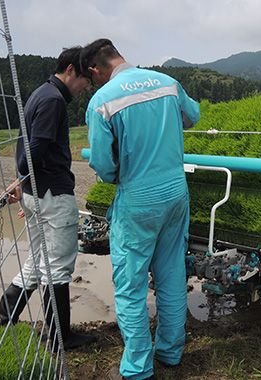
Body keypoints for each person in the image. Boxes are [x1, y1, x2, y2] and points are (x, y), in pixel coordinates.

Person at [81, 38, 200, 380]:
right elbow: (193, 116)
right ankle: (170, 351)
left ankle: (137, 367)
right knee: (171, 273)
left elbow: (103, 165)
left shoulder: (102, 100)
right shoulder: (167, 83)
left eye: (93, 77)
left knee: (131, 286)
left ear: (95, 69)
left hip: (137, 199)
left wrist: (119, 173)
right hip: (176, 192)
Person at [0, 46, 96, 350]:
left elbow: (28, 152)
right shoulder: (53, 100)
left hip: (36, 194)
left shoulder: (41, 93)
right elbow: (33, 154)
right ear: (70, 71)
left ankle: (5, 315)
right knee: (58, 267)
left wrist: (22, 182)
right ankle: (59, 337)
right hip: (53, 194)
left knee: (39, 261)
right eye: (85, 81)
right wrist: (24, 175)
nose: (86, 88)